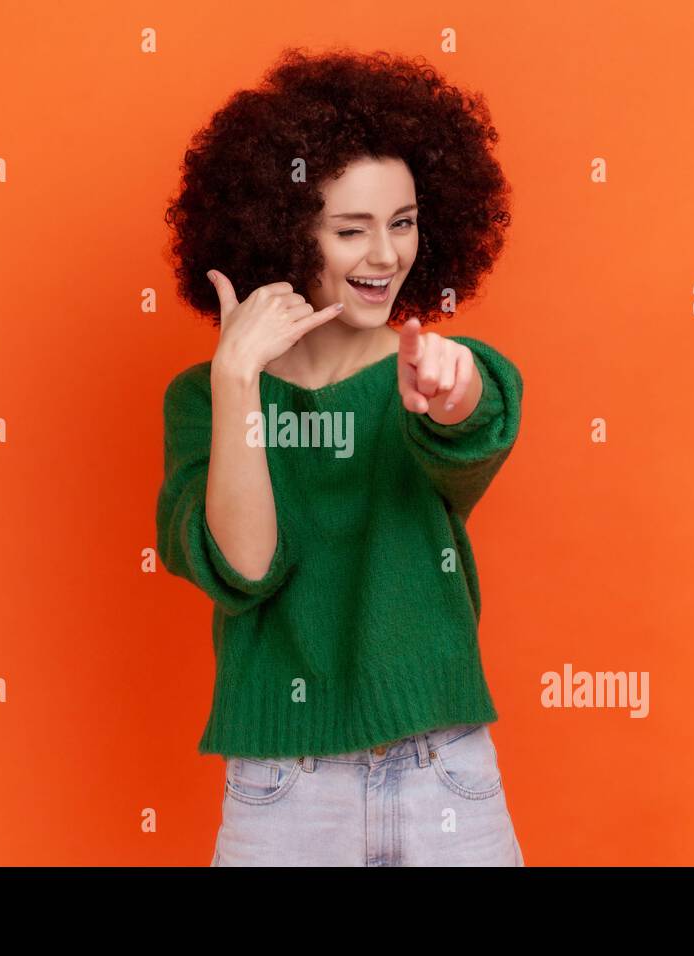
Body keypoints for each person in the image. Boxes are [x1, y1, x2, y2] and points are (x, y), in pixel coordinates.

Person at [158, 46, 525, 866]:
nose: (387, 256)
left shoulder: (421, 372)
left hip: (446, 779)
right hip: (284, 792)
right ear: (288, 234)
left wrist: (455, 389)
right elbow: (246, 565)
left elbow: (474, 425)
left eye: (402, 223)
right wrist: (236, 380)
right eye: (351, 230)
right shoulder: (204, 399)